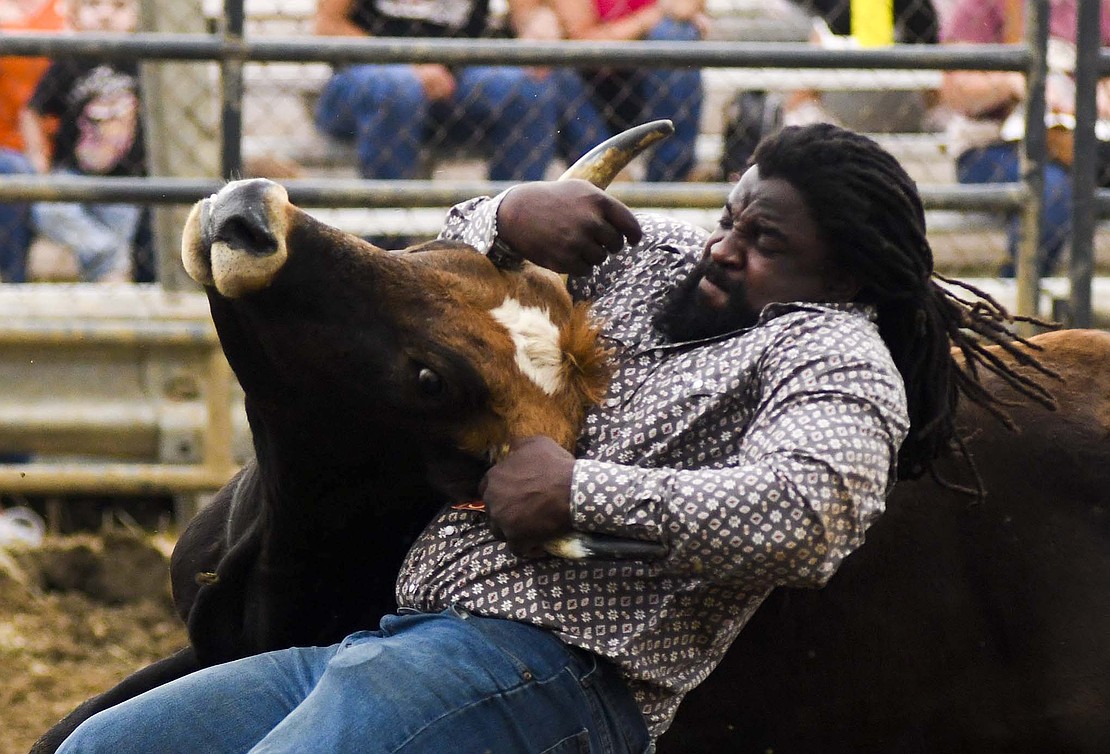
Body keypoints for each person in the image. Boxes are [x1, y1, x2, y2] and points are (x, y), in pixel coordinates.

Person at [54, 123, 1056, 753]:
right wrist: (504, 211)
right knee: (106, 746)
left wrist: (578, 490)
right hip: (402, 644)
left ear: (843, 279)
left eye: (766, 244)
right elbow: (449, 287)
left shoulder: (837, 358)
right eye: (731, 215)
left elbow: (808, 516)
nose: (722, 247)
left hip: (557, 674)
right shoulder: (656, 262)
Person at [939, 0, 1110, 278]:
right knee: (1052, 190)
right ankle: (1017, 305)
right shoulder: (985, 4)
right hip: (994, 146)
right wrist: (1014, 82)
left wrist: (1089, 97)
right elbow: (956, 91)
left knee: (1065, 181)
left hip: (1085, 142)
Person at [312, 0, 561, 181]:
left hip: (455, 82)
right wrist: (408, 63)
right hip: (364, 81)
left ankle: (510, 233)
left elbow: (527, 12)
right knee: (398, 87)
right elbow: (327, 25)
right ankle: (386, 243)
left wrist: (538, 25)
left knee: (527, 89)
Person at [20, 0, 146, 283]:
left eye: (118, 6)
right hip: (72, 174)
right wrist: (38, 159)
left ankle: (108, 287)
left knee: (114, 252)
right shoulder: (70, 60)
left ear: (135, 18)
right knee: (47, 210)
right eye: (93, 5)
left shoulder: (142, 62)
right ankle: (107, 255)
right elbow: (32, 112)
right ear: (75, 17)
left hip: (126, 181)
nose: (104, 15)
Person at [545, 0, 707, 181]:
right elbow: (589, 44)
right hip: (589, 86)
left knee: (676, 35)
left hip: (646, 80)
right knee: (556, 70)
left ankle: (670, 180)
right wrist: (656, 13)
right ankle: (604, 173)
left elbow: (686, 7)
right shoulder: (657, 11)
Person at [0, 0, 65, 283]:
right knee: (16, 171)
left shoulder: (64, 9)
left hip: (63, 144)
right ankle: (13, 282)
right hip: (8, 145)